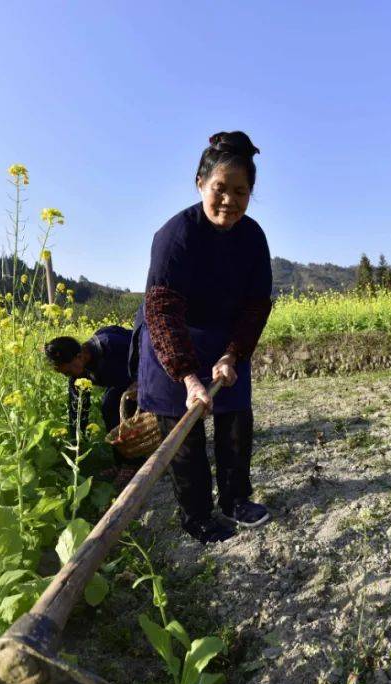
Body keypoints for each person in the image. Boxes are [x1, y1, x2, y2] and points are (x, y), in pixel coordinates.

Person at [137, 130, 273, 544]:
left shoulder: (253, 238)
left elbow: (255, 306)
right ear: (200, 183)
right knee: (185, 436)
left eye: (241, 191)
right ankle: (195, 514)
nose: (229, 200)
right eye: (220, 188)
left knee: (236, 421)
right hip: (171, 343)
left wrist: (233, 354)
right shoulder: (175, 235)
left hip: (225, 338)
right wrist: (189, 376)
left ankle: (234, 499)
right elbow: (161, 309)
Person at [45, 305, 144, 440]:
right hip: (121, 380)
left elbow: (144, 351)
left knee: (135, 406)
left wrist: (139, 382)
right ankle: (123, 456)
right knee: (109, 407)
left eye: (67, 372)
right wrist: (76, 441)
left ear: (79, 356)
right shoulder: (78, 375)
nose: (69, 377)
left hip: (145, 369)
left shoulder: (111, 344)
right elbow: (78, 410)